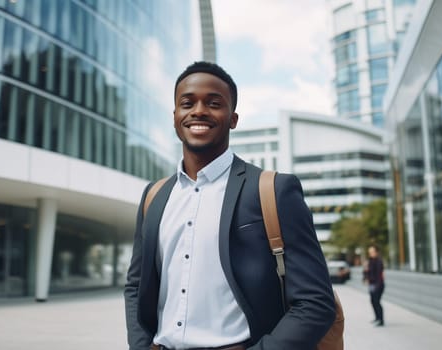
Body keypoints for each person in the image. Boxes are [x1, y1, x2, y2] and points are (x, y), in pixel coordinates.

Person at [124, 61, 336, 350]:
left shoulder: (273, 190)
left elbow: (316, 303)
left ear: (233, 118)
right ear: (175, 116)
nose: (198, 110)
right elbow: (136, 286)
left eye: (214, 103)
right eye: (187, 103)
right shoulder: (154, 196)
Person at [364, 244, 385, 327]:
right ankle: (377, 318)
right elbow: (366, 272)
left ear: (376, 252)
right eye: (370, 252)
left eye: (372, 252)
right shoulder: (369, 261)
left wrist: (377, 286)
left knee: (377, 302)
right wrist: (365, 277)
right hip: (371, 285)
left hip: (378, 285)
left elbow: (380, 275)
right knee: (373, 301)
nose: (371, 253)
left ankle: (381, 320)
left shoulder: (379, 261)